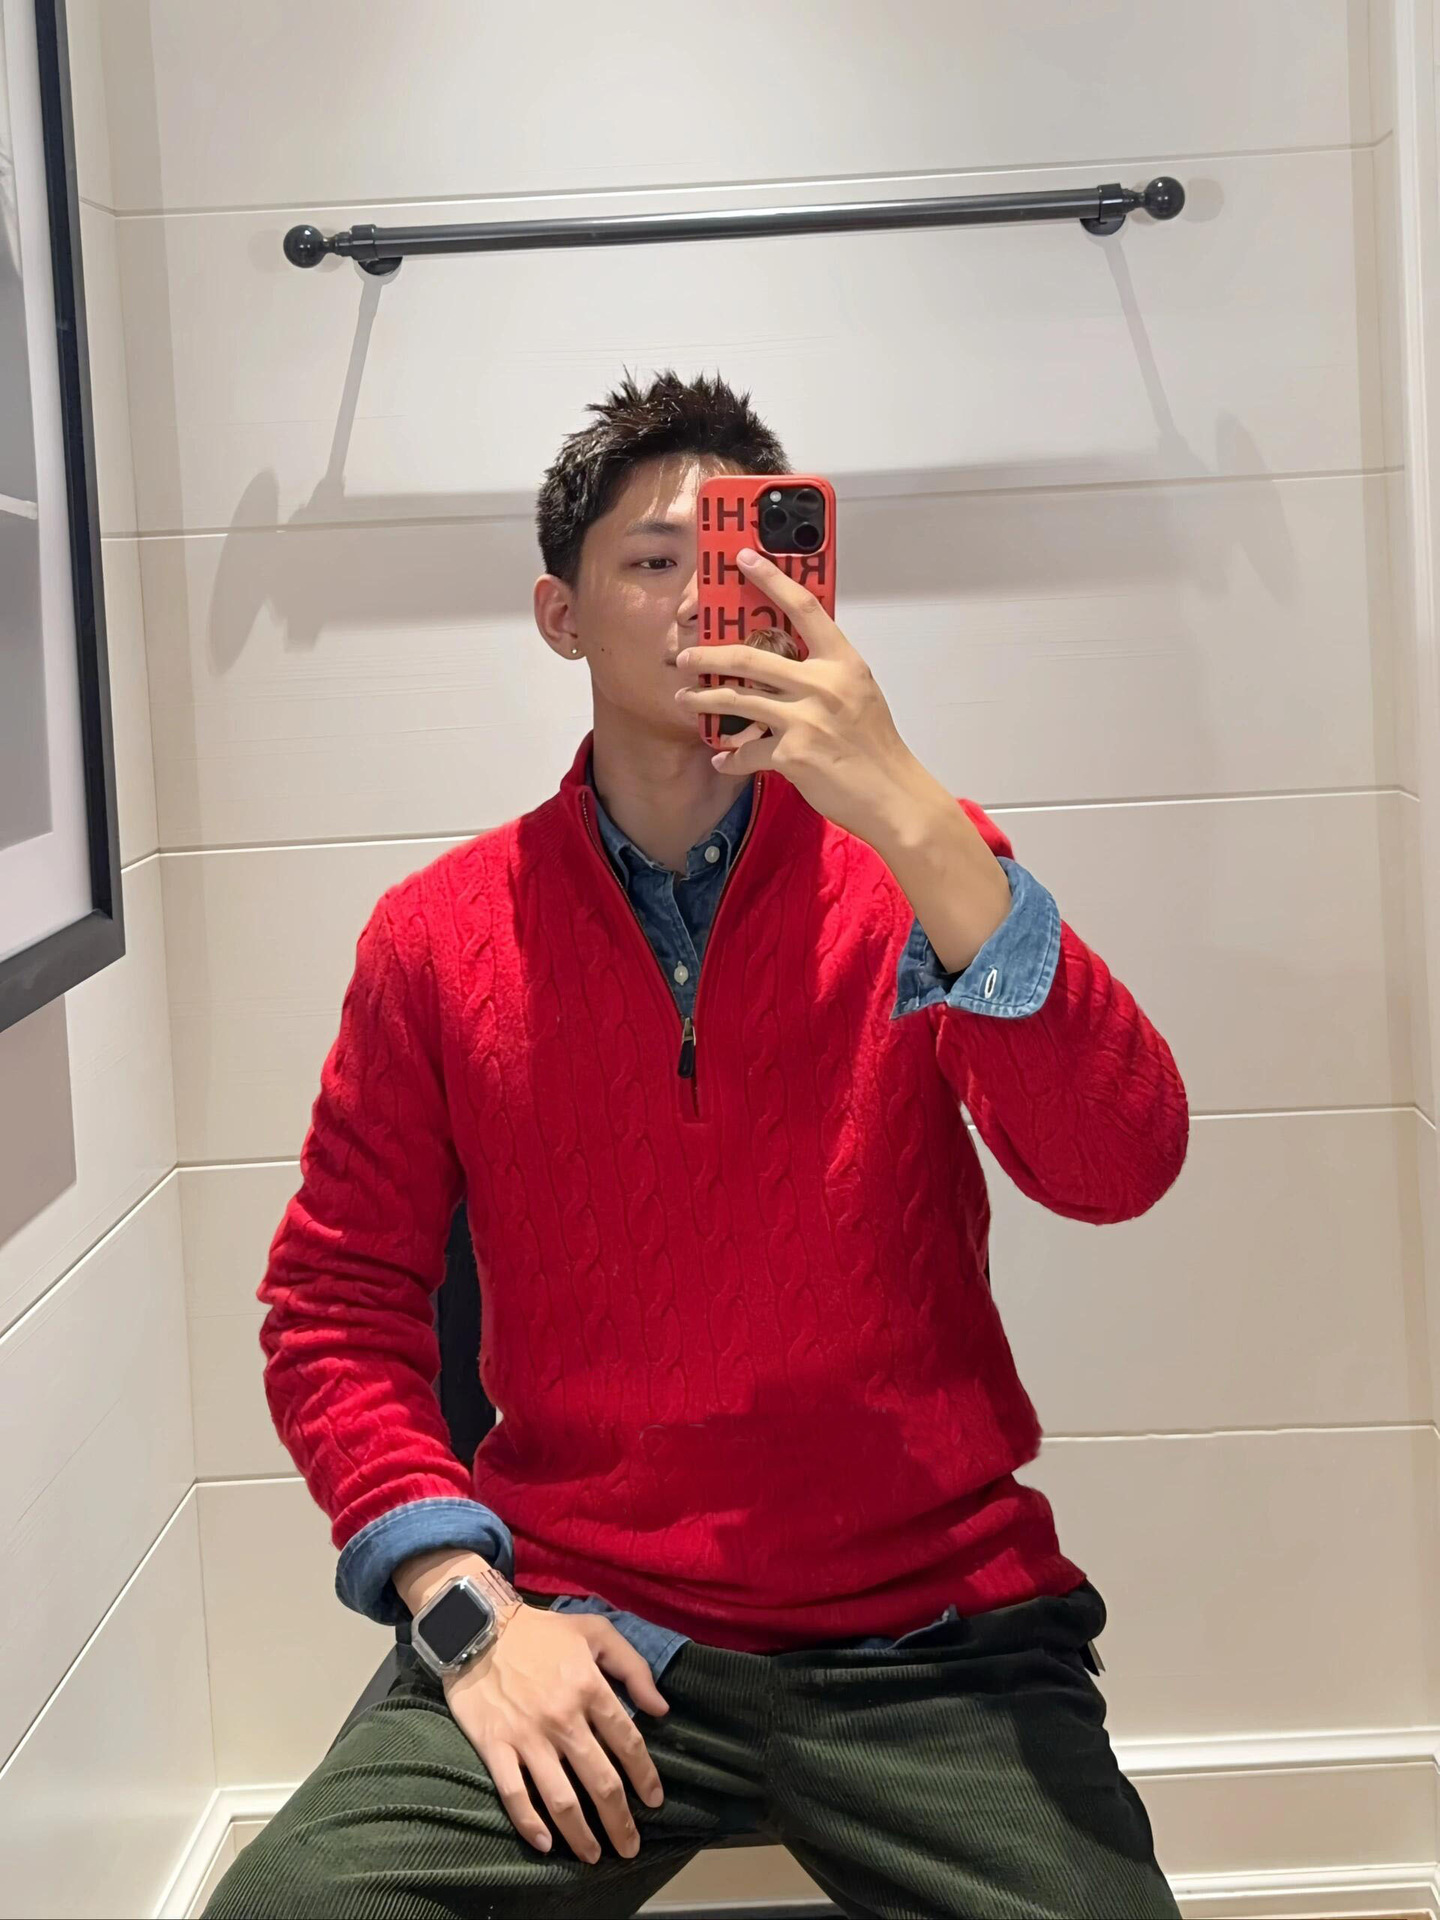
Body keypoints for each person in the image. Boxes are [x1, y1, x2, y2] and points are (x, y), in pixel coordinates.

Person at [205, 370, 1188, 1920]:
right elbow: (334, 1308)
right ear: (561, 616)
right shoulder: (438, 940)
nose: (700, 599)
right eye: (652, 561)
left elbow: (1120, 1162)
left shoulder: (920, 871)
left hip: (927, 1626)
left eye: (739, 557)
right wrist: (465, 1611)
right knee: (291, 1910)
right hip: (585, 1614)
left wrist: (908, 808)